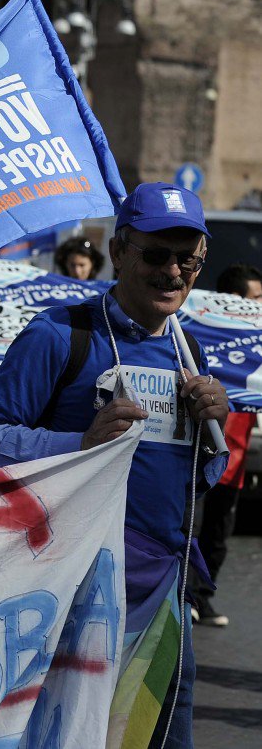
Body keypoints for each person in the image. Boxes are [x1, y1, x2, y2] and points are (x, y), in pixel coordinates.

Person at [0, 182, 230, 748]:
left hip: (161, 604)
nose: (173, 271)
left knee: (157, 740)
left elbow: (192, 481)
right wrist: (76, 444)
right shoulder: (61, 336)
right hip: (68, 597)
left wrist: (209, 435)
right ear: (120, 251)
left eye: (189, 259)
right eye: (157, 254)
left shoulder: (188, 350)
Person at [191, 263, 262, 627]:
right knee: (193, 526)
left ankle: (203, 597)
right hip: (202, 455)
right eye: (255, 300)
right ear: (234, 301)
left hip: (235, 459)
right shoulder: (201, 336)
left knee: (220, 531)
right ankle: (184, 594)